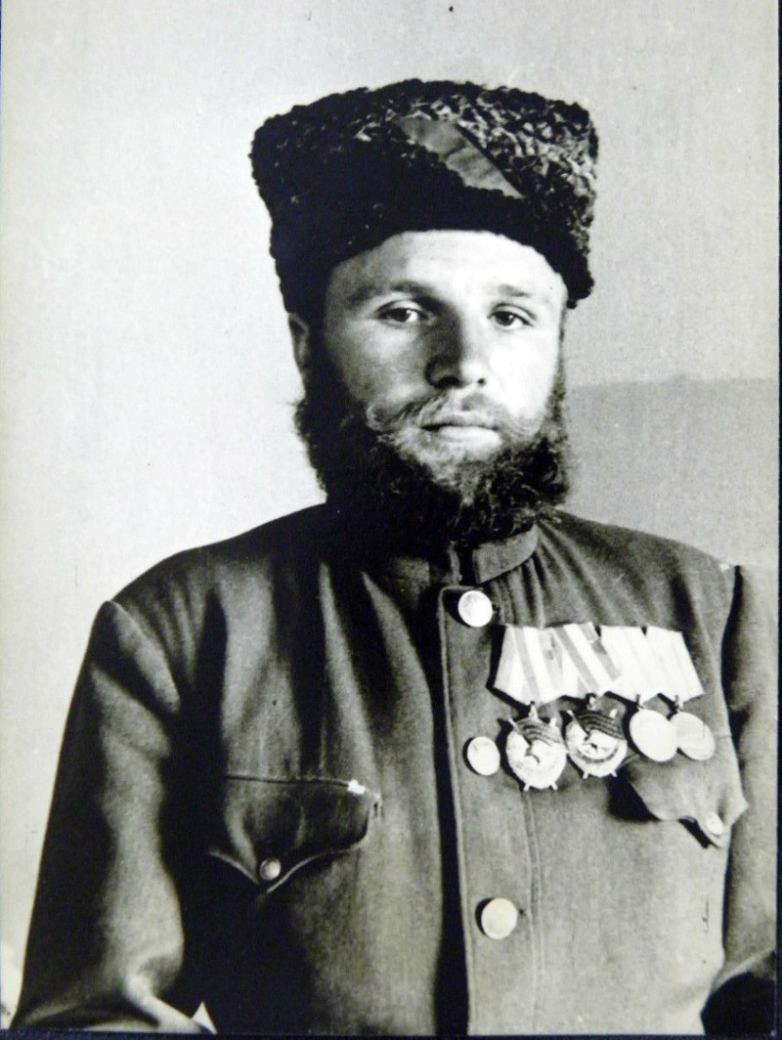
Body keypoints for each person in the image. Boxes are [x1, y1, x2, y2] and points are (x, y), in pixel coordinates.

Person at [13, 79, 776, 1035]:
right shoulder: (180, 629)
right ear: (308, 346)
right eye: (405, 311)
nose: (465, 363)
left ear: (556, 346)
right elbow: (95, 1019)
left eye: (512, 316)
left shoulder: (708, 610)